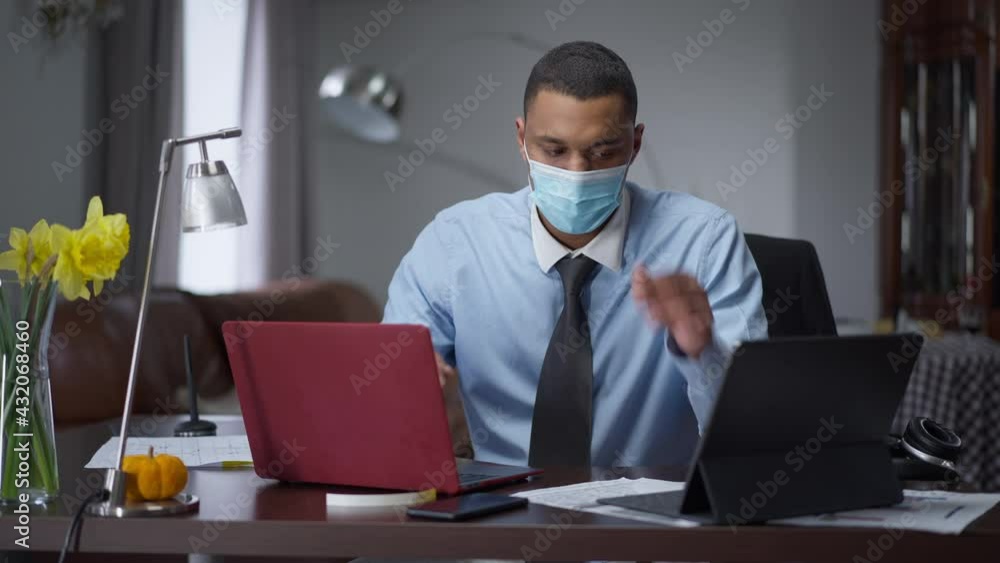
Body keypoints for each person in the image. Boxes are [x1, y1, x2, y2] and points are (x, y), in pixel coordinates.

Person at [383, 41, 767, 469]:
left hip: (648, 517)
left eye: (603, 152)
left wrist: (704, 353)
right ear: (521, 138)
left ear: (635, 144)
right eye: (554, 150)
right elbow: (387, 396)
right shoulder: (453, 243)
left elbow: (756, 435)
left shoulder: (703, 241)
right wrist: (407, 391)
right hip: (498, 509)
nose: (577, 172)